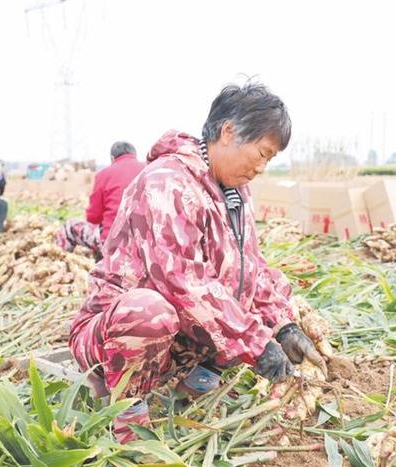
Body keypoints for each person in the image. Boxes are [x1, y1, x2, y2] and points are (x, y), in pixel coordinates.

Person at [68, 83, 324, 442]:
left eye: (271, 160)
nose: (262, 167)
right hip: (117, 333)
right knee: (150, 310)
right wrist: (254, 342)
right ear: (228, 131)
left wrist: (283, 326)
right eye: (261, 153)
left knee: (242, 292)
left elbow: (252, 268)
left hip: (177, 342)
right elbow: (182, 281)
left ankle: (196, 385)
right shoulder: (167, 183)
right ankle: (127, 412)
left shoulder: (234, 193)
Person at [56, 141, 145, 257]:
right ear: (135, 155)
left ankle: (60, 261)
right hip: (145, 244)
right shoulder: (148, 169)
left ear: (112, 158)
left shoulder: (104, 174)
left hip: (114, 243)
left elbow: (93, 217)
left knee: (70, 227)